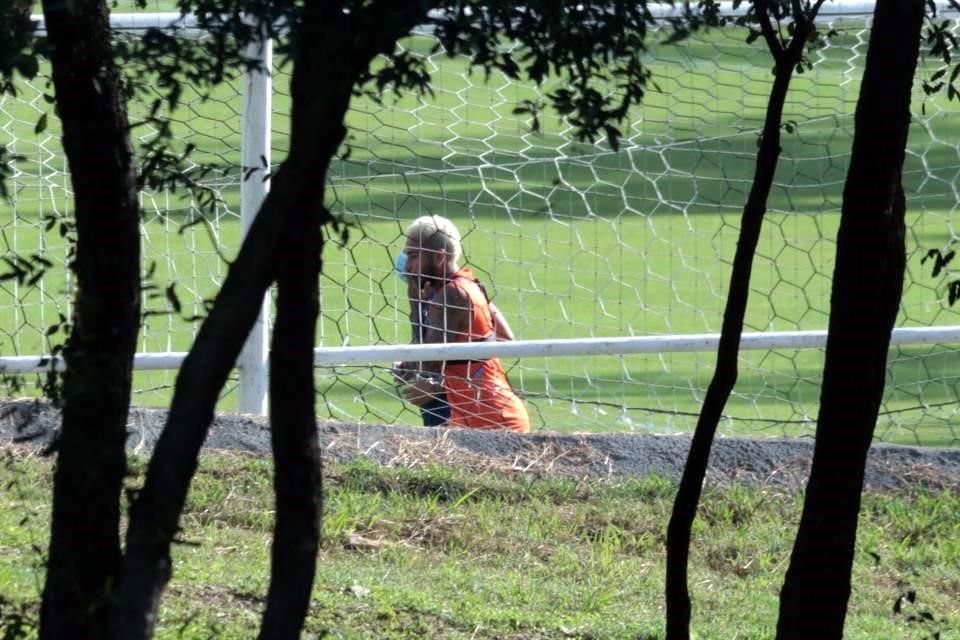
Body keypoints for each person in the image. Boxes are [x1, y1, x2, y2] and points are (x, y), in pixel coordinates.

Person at [393, 215, 530, 433]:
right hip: (477, 416)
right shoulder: (468, 284)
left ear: (439, 257)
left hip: (492, 420)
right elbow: (505, 337)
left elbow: (427, 365)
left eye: (413, 255)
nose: (406, 266)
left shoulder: (453, 294)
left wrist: (416, 305)